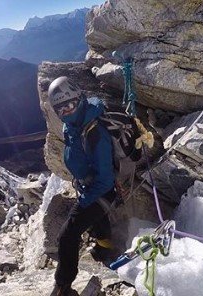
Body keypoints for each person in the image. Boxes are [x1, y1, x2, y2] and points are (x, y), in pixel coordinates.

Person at [48, 76, 116, 296]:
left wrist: (85, 199)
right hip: (91, 186)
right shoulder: (75, 125)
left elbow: (105, 180)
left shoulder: (95, 133)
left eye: (69, 105)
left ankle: (63, 287)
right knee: (94, 217)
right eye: (60, 109)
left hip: (102, 190)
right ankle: (104, 246)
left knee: (67, 236)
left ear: (80, 98)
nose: (65, 111)